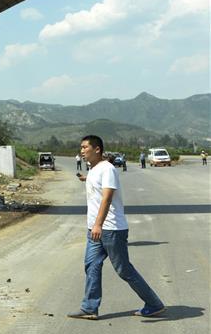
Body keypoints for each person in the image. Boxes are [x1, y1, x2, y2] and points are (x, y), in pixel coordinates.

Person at [68, 135, 164, 320]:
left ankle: (154, 303)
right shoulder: (94, 169)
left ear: (97, 149)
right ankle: (89, 308)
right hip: (94, 229)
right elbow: (97, 185)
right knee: (91, 265)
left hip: (111, 229)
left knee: (123, 270)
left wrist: (98, 224)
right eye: (81, 147)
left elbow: (107, 197)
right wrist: (86, 180)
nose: (81, 151)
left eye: (85, 147)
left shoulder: (108, 169)